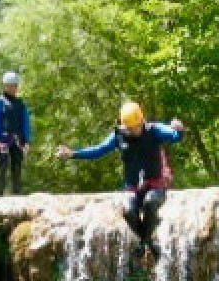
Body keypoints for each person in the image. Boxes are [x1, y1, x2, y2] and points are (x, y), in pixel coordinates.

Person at [55, 102, 184, 260]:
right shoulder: (119, 135)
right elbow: (98, 150)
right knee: (128, 210)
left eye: (135, 126)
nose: (133, 130)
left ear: (141, 121)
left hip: (155, 183)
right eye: (129, 127)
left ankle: (144, 242)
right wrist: (73, 154)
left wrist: (178, 129)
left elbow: (174, 136)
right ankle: (148, 240)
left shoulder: (154, 130)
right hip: (132, 186)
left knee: (150, 203)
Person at [0, 71, 32, 195]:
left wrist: (27, 141)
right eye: (8, 85)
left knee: (17, 166)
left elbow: (25, 123)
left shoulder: (21, 104)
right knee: (2, 166)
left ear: (17, 86)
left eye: (13, 85)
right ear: (4, 86)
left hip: (18, 140)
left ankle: (17, 193)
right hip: (2, 140)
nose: (11, 88)